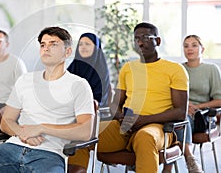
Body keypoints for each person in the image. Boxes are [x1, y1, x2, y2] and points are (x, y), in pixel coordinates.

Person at [0, 26, 95, 173]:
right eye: (43, 44)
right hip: (12, 148)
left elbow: (85, 131)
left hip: (49, 154)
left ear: (68, 51)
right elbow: (6, 122)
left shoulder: (79, 85)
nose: (46, 48)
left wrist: (42, 128)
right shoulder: (25, 80)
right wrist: (22, 134)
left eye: (53, 44)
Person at [68, 22, 189, 173]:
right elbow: (115, 104)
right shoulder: (128, 68)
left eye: (145, 38)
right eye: (136, 39)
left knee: (145, 137)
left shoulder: (175, 70)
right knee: (82, 134)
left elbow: (180, 112)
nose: (139, 42)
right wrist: (123, 118)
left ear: (157, 41)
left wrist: (143, 120)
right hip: (125, 126)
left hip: (157, 127)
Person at [163, 35, 221, 173]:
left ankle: (171, 167)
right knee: (177, 117)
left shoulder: (211, 69)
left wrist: (197, 107)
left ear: (202, 49)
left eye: (194, 45)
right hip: (180, 112)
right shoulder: (177, 69)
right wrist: (184, 105)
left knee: (179, 119)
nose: (189, 49)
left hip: (201, 116)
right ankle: (189, 159)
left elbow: (219, 100)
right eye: (186, 45)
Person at [67, 33, 111, 108]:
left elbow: (100, 99)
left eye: (87, 44)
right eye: (80, 44)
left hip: (94, 112)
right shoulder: (72, 68)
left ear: (96, 48)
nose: (83, 47)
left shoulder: (101, 71)